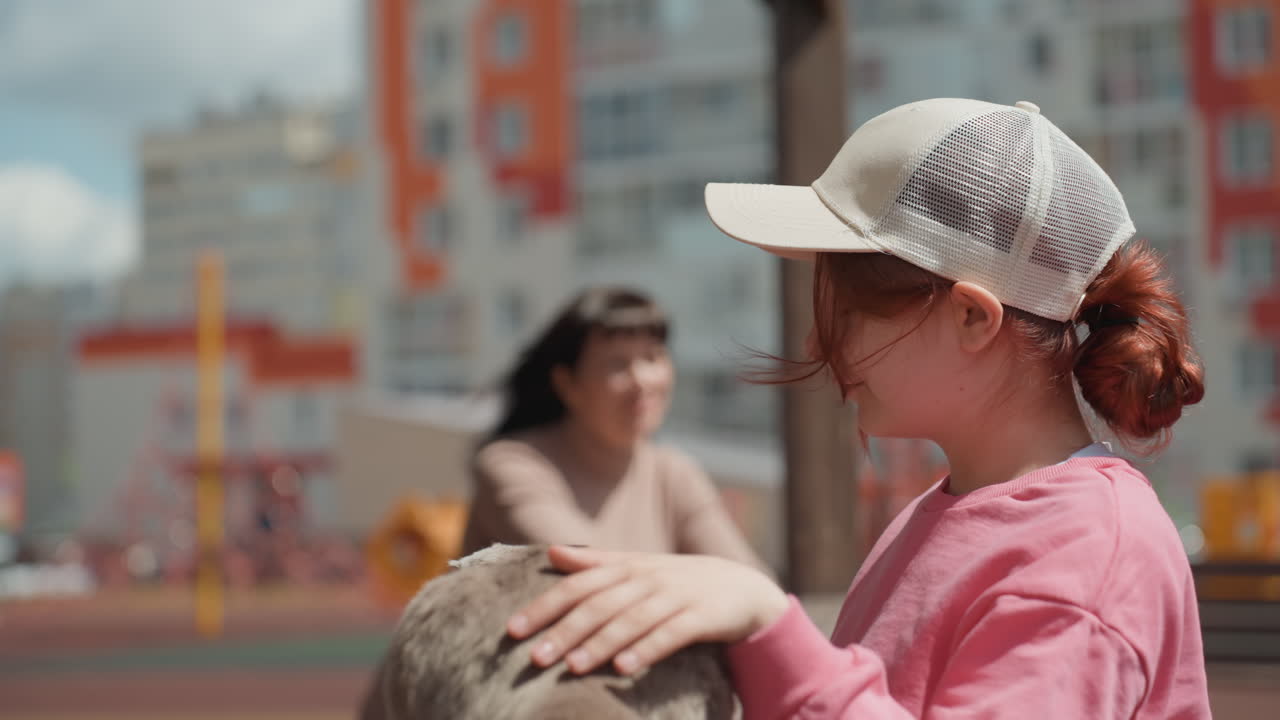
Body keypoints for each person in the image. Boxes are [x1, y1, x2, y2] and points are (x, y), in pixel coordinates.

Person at [504, 99, 1212, 718]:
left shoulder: (1087, 554)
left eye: (847, 309)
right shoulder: (957, 508)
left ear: (971, 316)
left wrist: (769, 629)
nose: (819, 340)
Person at [461, 287, 766, 573]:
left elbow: (755, 588)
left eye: (652, 357)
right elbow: (585, 570)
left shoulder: (673, 473)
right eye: (617, 365)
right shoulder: (512, 464)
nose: (642, 380)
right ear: (567, 384)